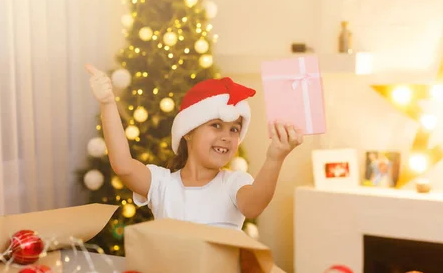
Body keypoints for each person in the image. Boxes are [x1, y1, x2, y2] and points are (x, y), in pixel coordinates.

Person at [86, 64, 303, 230]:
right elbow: (123, 165)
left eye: (234, 129)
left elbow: (254, 205)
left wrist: (275, 158)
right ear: (188, 131)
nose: (226, 137)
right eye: (216, 125)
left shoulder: (234, 184)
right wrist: (107, 103)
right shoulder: (163, 185)